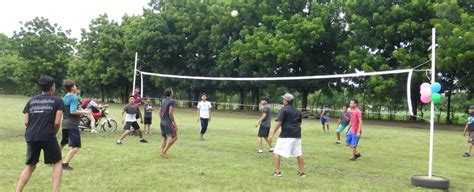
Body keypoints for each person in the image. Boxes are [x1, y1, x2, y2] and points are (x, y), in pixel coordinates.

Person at [16, 76, 64, 192]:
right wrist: (53, 133)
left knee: (30, 165)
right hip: (48, 135)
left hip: (31, 136)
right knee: (57, 162)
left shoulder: (31, 101)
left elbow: (26, 121)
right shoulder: (57, 101)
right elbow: (57, 123)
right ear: (52, 86)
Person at [268, 93, 305, 177]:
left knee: (277, 152)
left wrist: (271, 134)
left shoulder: (284, 109)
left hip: (286, 134)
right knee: (299, 153)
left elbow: (279, 122)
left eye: (284, 99)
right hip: (297, 134)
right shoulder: (297, 111)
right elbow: (299, 123)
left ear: (286, 101)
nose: (283, 100)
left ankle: (277, 172)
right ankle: (302, 172)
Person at [61, 80, 90, 170]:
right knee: (76, 145)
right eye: (75, 86)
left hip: (65, 123)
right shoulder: (74, 97)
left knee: (64, 142)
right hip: (72, 124)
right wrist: (85, 112)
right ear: (73, 87)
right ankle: (65, 164)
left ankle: (53, 159)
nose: (76, 87)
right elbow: (73, 111)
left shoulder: (65, 97)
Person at [159, 88, 178, 159]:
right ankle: (163, 151)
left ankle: (162, 151)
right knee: (175, 137)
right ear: (171, 93)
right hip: (167, 122)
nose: (173, 92)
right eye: (172, 91)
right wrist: (175, 124)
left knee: (164, 137)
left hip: (162, 121)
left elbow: (159, 112)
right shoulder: (172, 101)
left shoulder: (163, 101)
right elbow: (170, 113)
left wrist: (162, 119)